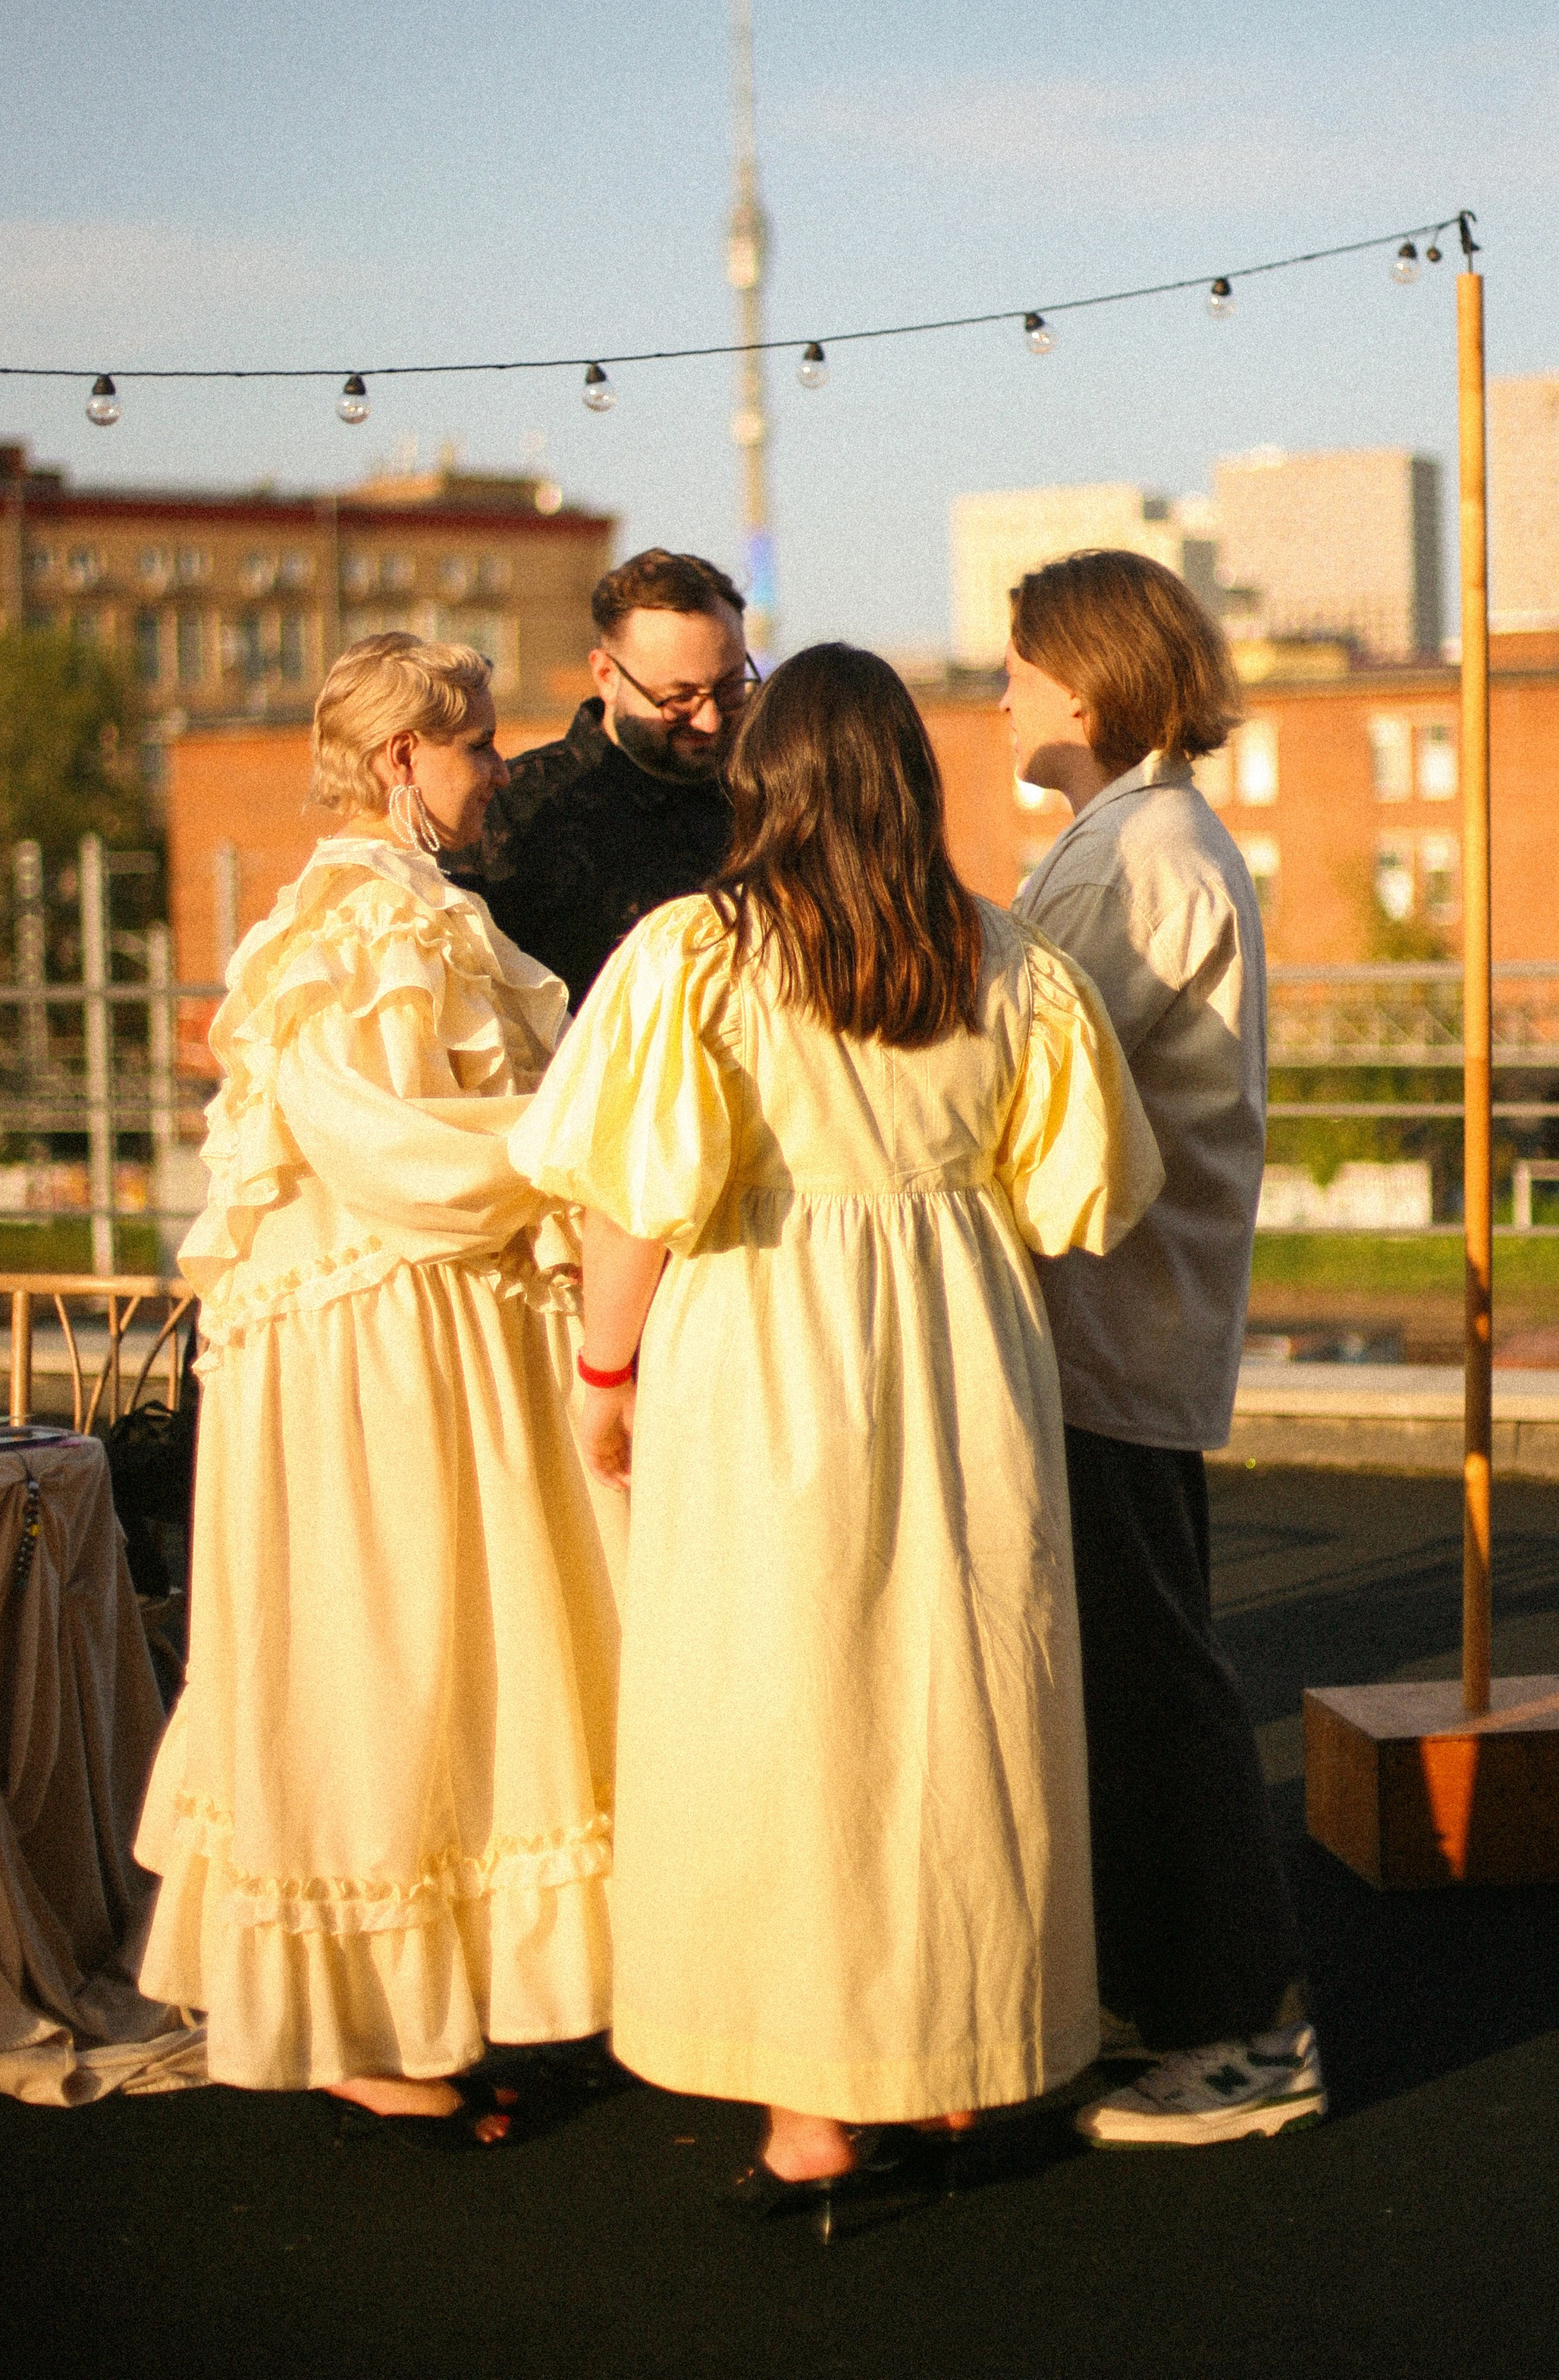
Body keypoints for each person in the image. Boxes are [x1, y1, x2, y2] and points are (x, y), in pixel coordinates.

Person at [509, 643, 1162, 2219]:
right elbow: (1086, 1199)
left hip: (759, 1359)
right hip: (960, 1367)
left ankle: (808, 2125)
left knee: (785, 1722)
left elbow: (627, 1202)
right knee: (953, 1712)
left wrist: (606, 1381)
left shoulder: (692, 960)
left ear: (764, 783)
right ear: (909, 786)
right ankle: (952, 2070)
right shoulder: (1006, 962)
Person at [136, 633, 623, 2137]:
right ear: (399, 760)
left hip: (405, 1337)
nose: (493, 769)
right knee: (395, 1648)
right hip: (381, 1352)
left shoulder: (394, 909)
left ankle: (422, 1993)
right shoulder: (365, 916)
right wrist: (575, 1151)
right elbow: (381, 1145)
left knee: (432, 1651)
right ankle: (360, 2015)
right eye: (471, 745)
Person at [1002, 549, 1325, 2146]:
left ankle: (1234, 2027)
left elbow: (1022, 1078)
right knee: (1138, 1659)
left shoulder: (1129, 858)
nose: (996, 689)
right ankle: (1188, 1999)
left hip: (1108, 1326)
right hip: (1128, 1320)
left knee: (1147, 1677)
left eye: (1014, 664)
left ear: (1080, 680)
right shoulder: (1136, 840)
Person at [449, 547, 754, 1005]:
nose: (710, 720)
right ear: (607, 675)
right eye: (679, 699)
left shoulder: (771, 797)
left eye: (730, 688)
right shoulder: (511, 812)